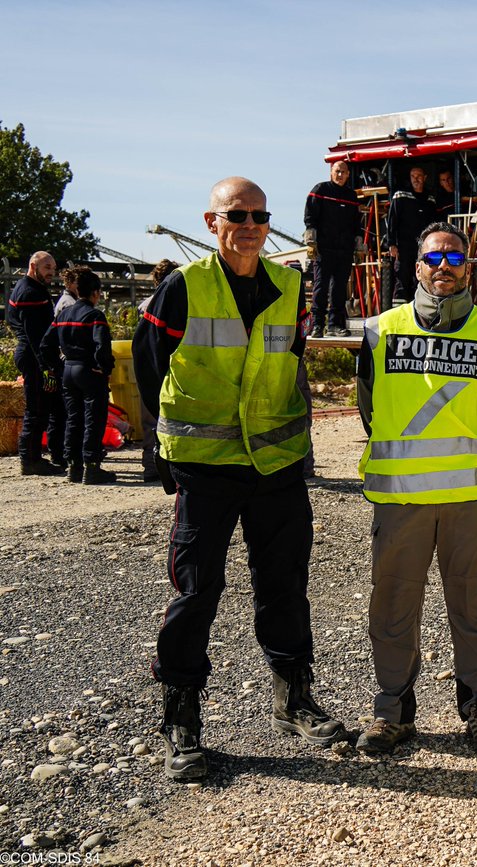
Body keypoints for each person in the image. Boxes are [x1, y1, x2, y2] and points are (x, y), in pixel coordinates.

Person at [133, 177, 345, 781]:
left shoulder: (289, 285)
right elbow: (150, 365)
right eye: (237, 215)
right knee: (196, 590)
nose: (250, 225)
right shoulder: (184, 286)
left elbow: (291, 360)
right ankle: (180, 718)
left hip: (276, 465)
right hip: (206, 468)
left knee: (285, 585)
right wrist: (163, 450)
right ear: (213, 222)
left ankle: (294, 698)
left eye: (259, 215)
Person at [355, 221, 477, 756]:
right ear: (417, 267)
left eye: (454, 258)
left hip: (470, 502)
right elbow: (368, 406)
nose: (443, 267)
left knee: (475, 607)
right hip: (401, 501)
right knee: (392, 606)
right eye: (434, 258)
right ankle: (392, 711)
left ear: (468, 268)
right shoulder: (379, 332)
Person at [40, 269, 116, 484]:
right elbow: (102, 346)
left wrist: (56, 366)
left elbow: (45, 345)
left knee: (73, 418)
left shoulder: (63, 315)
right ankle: (91, 467)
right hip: (88, 371)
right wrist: (105, 368)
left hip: (68, 371)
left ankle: (73, 466)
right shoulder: (95, 316)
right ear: (95, 293)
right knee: (94, 418)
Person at [5, 251, 65, 475]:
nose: (51, 273)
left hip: (35, 354)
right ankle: (30, 460)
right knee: (37, 408)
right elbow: (34, 336)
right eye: (47, 268)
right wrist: (46, 367)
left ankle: (54, 454)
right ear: (33, 266)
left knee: (51, 405)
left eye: (53, 268)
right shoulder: (30, 292)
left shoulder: (28, 287)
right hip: (34, 355)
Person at [303, 160, 360, 338]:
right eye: (337, 171)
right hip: (324, 248)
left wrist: (358, 243)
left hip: (344, 249)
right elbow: (310, 215)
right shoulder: (320, 190)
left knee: (339, 289)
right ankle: (317, 325)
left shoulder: (351, 196)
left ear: (348, 174)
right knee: (321, 286)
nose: (340, 175)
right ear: (331, 172)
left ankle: (335, 325)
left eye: (343, 172)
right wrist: (311, 237)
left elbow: (356, 223)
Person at [138, 259, 180, 483]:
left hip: (147, 368)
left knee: (149, 420)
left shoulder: (145, 304)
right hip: (171, 368)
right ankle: (169, 465)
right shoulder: (176, 301)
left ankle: (150, 464)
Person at [386, 165, 437, 307]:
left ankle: (417, 309)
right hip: (403, 246)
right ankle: (399, 312)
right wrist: (391, 243)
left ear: (425, 178)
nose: (416, 179)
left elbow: (434, 224)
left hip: (423, 248)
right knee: (402, 278)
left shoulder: (430, 199)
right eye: (413, 176)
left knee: (421, 278)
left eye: (419, 176)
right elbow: (392, 221)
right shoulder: (400, 195)